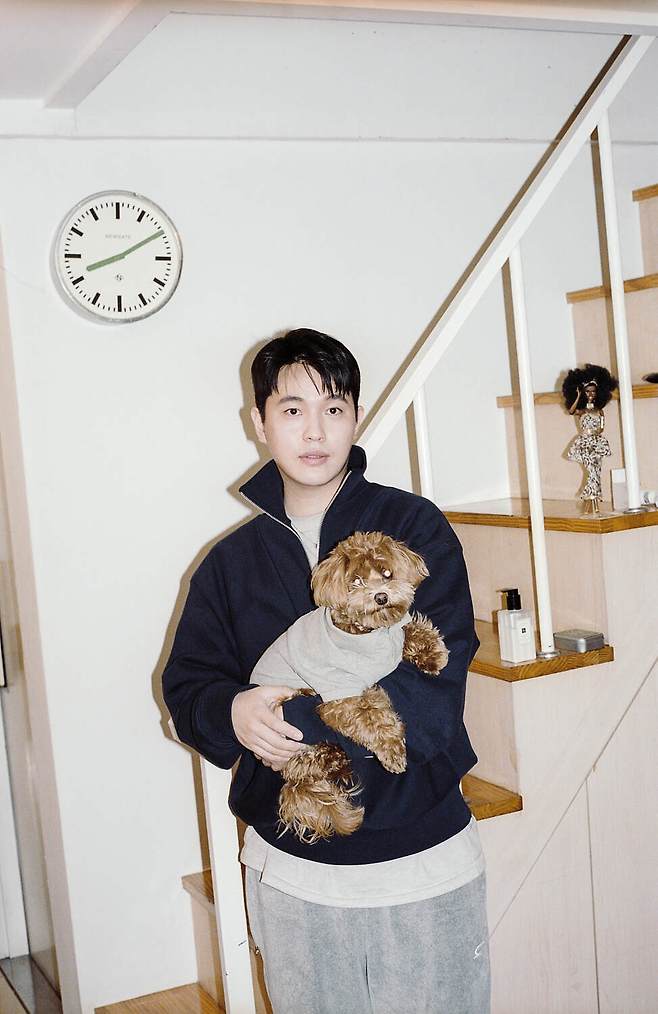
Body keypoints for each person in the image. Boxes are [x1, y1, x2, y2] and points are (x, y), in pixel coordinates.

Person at [162, 327, 490, 1014]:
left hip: (421, 855)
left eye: (333, 407)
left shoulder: (414, 526)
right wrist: (233, 712)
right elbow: (188, 686)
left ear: (356, 418)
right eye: (292, 409)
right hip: (291, 867)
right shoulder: (228, 563)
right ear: (259, 423)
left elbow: (440, 670)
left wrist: (294, 724)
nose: (314, 430)